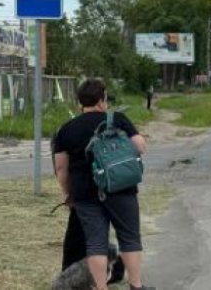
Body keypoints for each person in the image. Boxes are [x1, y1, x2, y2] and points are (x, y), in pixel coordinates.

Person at [53, 79, 149, 290]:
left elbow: (61, 168)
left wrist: (68, 193)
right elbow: (140, 147)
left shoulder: (66, 129)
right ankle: (136, 285)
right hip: (121, 189)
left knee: (96, 244)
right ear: (101, 100)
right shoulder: (117, 119)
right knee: (129, 238)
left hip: (85, 194)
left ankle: (100, 287)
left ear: (81, 102)